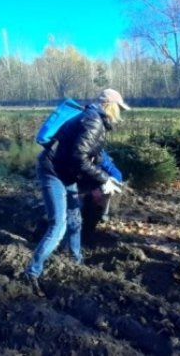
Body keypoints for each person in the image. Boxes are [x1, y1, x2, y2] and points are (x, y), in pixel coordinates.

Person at [22, 88, 130, 295]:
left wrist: (113, 176)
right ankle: (32, 272)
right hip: (53, 171)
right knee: (59, 225)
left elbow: (98, 156)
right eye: (119, 108)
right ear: (111, 106)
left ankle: (75, 259)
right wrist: (104, 179)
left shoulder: (94, 120)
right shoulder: (93, 121)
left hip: (66, 172)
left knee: (75, 218)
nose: (120, 114)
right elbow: (78, 158)